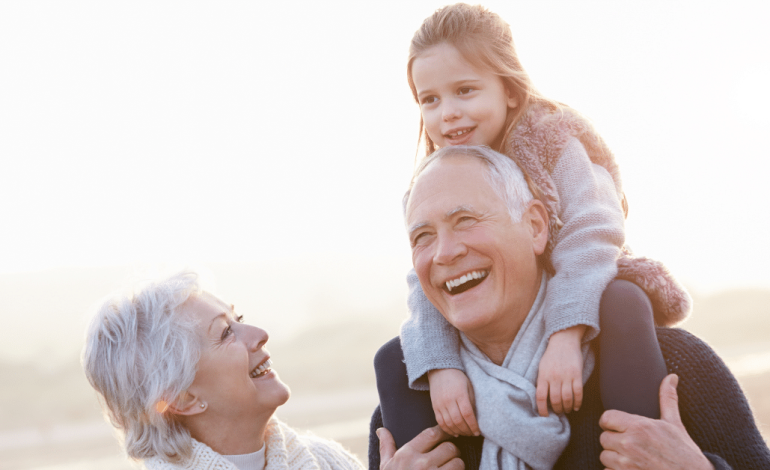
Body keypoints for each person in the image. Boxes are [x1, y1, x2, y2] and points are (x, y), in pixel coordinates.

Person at [369, 145, 770, 469]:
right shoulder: (406, 423)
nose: (445, 252)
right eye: (422, 236)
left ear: (536, 226)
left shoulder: (674, 367)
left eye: (466, 220)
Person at [396, 2, 688, 442]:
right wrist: (441, 366)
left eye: (465, 90)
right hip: (502, 311)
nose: (447, 113)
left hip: (581, 286)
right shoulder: (438, 179)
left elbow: (593, 232)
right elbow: (428, 278)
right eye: (430, 100)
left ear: (510, 90)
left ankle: (638, 441)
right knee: (392, 358)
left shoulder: (554, 141)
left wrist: (565, 336)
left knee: (625, 301)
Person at [82, 271, 364, 470]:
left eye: (238, 319)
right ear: (183, 399)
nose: (260, 334)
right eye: (226, 332)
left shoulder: (328, 461)